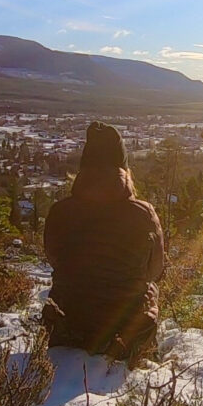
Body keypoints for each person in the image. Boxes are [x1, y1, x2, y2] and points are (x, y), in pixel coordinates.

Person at [43, 121, 165, 364]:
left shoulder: (60, 211)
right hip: (125, 332)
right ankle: (147, 358)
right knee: (150, 291)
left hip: (68, 325)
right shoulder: (144, 214)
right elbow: (155, 269)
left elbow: (54, 258)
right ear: (125, 172)